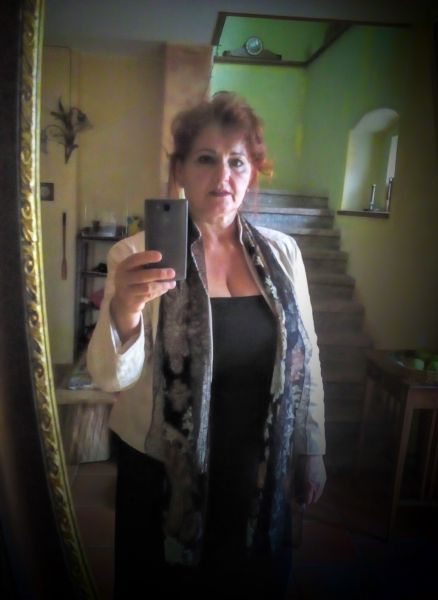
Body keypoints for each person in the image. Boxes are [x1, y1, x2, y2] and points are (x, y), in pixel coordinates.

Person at [87, 91, 326, 599]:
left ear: (252, 172)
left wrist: (312, 448)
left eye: (237, 161)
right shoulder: (135, 253)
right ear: (179, 170)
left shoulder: (283, 254)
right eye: (205, 159)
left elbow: (307, 358)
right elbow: (109, 377)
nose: (223, 175)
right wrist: (125, 310)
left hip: (254, 471)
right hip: (161, 475)